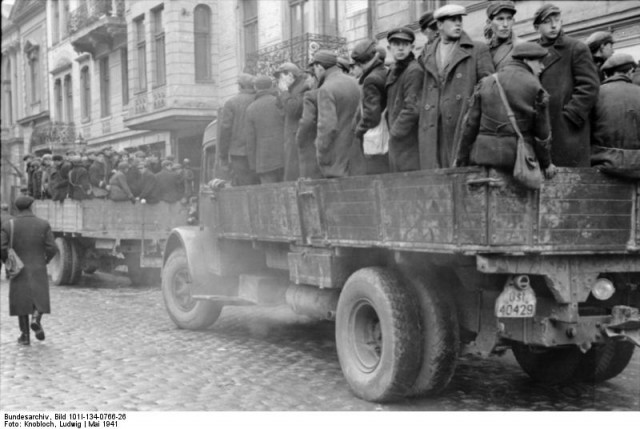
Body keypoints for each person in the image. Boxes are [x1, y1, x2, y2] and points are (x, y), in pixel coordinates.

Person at [455, 42, 556, 182]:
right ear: (526, 60)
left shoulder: (486, 82)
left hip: (484, 157)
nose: (542, 67)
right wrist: (546, 163)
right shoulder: (535, 87)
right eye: (539, 62)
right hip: (517, 161)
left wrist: (461, 158)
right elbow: (542, 134)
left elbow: (470, 125)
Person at [418, 4, 495, 170]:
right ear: (439, 25)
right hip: (433, 126)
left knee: (459, 176)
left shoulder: (477, 49)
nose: (458, 24)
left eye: (460, 20)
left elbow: (489, 91)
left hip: (462, 124)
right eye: (453, 20)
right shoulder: (428, 53)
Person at [534, 3, 600, 167]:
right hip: (541, 128)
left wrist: (571, 116)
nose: (554, 25)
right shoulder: (532, 52)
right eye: (547, 21)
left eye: (557, 20)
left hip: (567, 131)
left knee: (569, 181)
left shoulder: (575, 48)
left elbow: (590, 86)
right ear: (537, 27)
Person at [0, 196, 57, 346]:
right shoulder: (43, 224)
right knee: (40, 296)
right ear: (31, 207)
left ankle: (24, 336)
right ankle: (36, 319)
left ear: (17, 208)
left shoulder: (9, 225)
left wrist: (8, 262)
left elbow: (2, 247)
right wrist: (45, 260)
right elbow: (53, 248)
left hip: (18, 268)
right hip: (38, 265)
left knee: (21, 300)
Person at [312, 50, 364, 178]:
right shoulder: (355, 82)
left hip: (337, 159)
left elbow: (327, 127)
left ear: (319, 67)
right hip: (357, 153)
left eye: (314, 68)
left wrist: (321, 153)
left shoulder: (326, 89)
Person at [590, 53, 640, 178]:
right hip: (637, 165)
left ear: (606, 74)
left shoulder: (596, 94)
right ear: (630, 71)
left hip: (604, 163)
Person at [385, 27, 424, 172]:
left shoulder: (414, 70)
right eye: (396, 44)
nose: (400, 48)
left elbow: (412, 108)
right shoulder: (394, 69)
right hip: (398, 140)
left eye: (405, 44)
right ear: (389, 48)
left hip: (409, 140)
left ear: (412, 47)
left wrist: (394, 134)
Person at [351, 39, 389, 175]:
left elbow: (372, 115)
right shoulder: (385, 71)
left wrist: (358, 130)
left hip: (376, 141)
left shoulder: (370, 79)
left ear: (361, 63)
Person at [218, 73, 258, 186]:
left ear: (240, 86)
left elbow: (225, 129)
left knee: (244, 186)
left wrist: (223, 155)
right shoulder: (259, 99)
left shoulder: (231, 103)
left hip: (239, 153)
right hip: (258, 152)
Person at [245, 76, 286, 184]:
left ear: (255, 88)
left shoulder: (251, 109)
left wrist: (253, 165)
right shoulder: (280, 102)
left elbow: (250, 140)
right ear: (271, 86)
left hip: (264, 160)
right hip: (284, 157)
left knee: (269, 195)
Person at [275, 62, 309, 181]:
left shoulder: (303, 87)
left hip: (298, 136)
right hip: (291, 135)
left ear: (289, 75)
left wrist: (284, 91)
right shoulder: (292, 88)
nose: (279, 80)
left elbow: (293, 109)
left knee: (295, 173)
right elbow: (281, 110)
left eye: (280, 76)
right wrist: (282, 93)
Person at [296, 71, 323, 179]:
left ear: (314, 77)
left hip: (312, 140)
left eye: (307, 78)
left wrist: (299, 138)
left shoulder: (312, 94)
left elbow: (307, 120)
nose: (305, 81)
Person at [485, 1, 519, 70]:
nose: (505, 24)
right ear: (489, 22)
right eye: (500, 19)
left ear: (513, 21)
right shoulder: (484, 48)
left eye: (509, 19)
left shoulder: (520, 46)